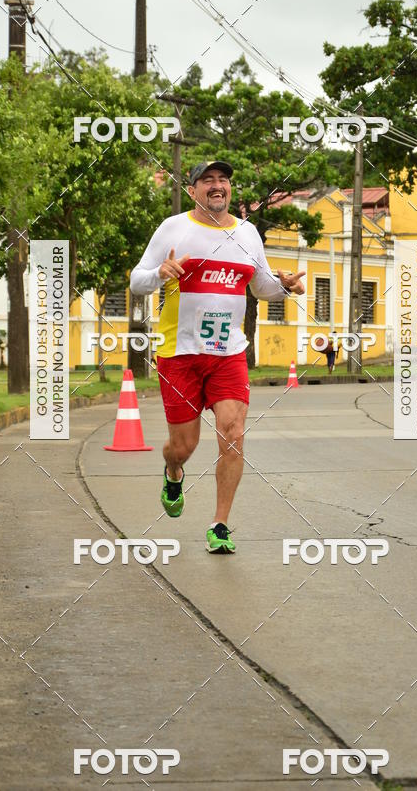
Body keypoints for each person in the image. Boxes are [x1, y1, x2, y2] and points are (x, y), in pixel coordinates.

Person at [130, 161, 305, 554]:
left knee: (233, 433)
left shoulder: (247, 233)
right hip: (180, 354)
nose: (216, 186)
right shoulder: (173, 229)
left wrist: (284, 286)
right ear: (193, 190)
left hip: (228, 354)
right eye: (207, 180)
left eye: (223, 180)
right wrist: (159, 273)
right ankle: (173, 471)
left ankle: (220, 525)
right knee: (184, 446)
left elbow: (260, 286)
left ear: (229, 189)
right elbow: (136, 280)